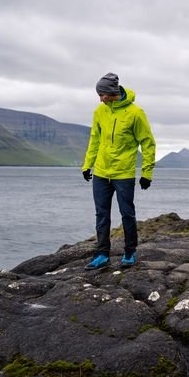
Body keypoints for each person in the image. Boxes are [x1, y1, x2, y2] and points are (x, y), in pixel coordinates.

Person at [81, 72, 156, 270]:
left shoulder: (135, 113)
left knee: (127, 214)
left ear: (111, 92)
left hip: (124, 173)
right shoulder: (100, 111)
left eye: (102, 94)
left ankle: (130, 252)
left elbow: (147, 143)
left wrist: (146, 173)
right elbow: (94, 139)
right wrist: (87, 165)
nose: (100, 98)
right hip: (101, 173)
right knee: (102, 214)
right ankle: (102, 255)